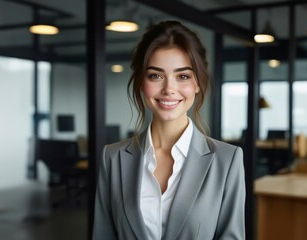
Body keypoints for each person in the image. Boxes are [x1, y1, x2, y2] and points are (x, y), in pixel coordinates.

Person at [93, 21, 245, 240]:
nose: (168, 89)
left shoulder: (227, 160)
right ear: (140, 82)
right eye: (156, 75)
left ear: (197, 83)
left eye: (182, 76)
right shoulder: (112, 157)